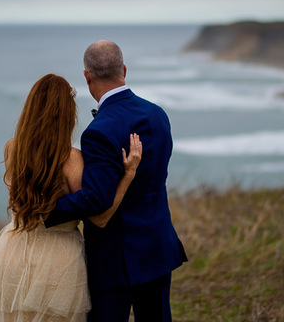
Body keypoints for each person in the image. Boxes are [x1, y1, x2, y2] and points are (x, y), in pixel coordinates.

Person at [0, 73, 143, 322]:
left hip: (13, 250)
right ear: (67, 114)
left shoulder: (13, 149)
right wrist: (128, 174)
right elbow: (100, 218)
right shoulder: (73, 159)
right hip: (59, 260)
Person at [45, 41, 187, 322]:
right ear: (123, 70)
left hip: (115, 260)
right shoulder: (157, 114)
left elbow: (96, 198)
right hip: (158, 247)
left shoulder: (99, 131)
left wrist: (47, 209)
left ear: (87, 77)